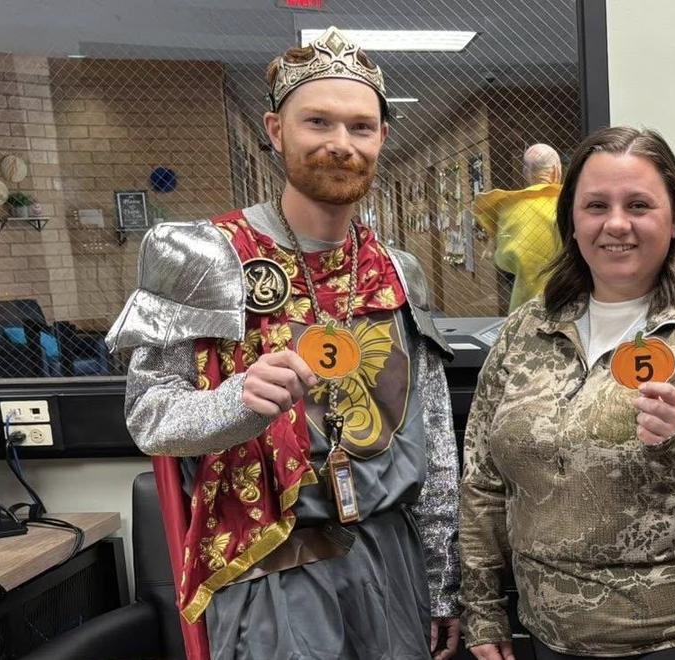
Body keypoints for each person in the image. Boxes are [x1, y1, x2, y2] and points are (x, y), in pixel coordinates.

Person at [108, 27, 461, 660]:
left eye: (360, 127)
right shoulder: (203, 254)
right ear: (276, 130)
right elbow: (150, 416)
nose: (340, 144)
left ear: (382, 137)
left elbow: (433, 439)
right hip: (272, 559)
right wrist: (237, 400)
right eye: (317, 122)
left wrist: (442, 583)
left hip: (391, 558)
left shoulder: (398, 270)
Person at [459, 126, 675, 660]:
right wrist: (483, 610)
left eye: (638, 205)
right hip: (555, 635)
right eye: (595, 206)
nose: (616, 224)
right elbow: (483, 482)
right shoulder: (526, 329)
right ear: (571, 220)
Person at [473, 143, 565, 312]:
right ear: (557, 170)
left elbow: (503, 261)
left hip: (526, 304)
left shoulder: (509, 208)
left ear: (526, 173)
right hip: (568, 295)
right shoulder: (572, 203)